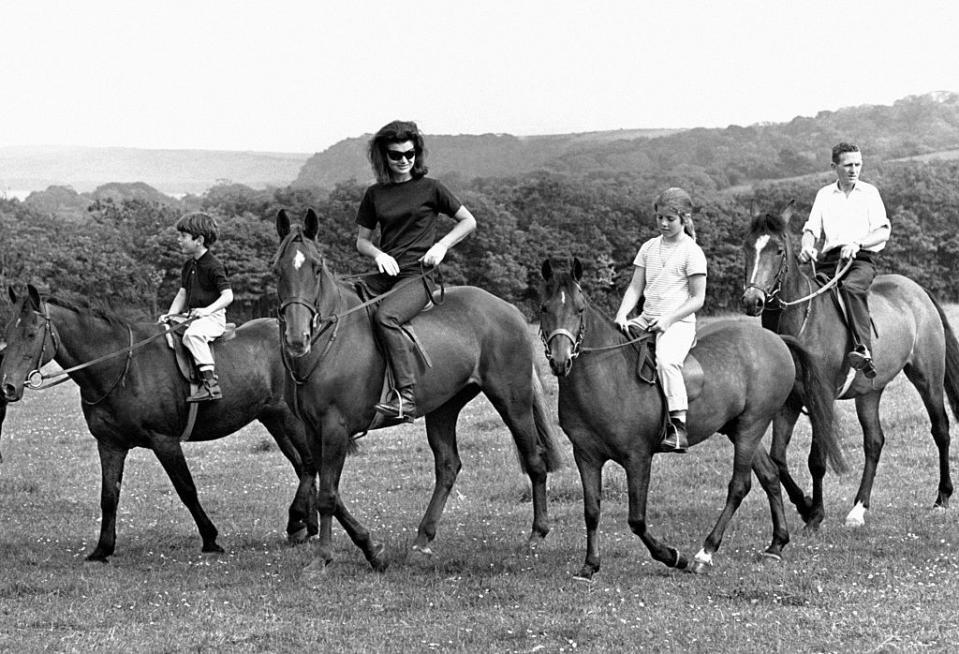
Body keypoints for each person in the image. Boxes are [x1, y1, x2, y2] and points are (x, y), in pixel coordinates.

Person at [355, 120, 477, 420]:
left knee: (386, 317)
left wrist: (441, 246)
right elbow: (361, 241)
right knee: (346, 305)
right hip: (385, 274)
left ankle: (406, 397)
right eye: (396, 155)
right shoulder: (375, 194)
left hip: (418, 276)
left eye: (410, 154)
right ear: (384, 156)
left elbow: (468, 221)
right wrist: (377, 254)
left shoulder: (431, 188)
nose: (404, 160)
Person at [614, 187, 707, 453]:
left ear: (684, 219)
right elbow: (635, 288)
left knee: (666, 362)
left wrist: (668, 320)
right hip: (646, 317)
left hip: (678, 323)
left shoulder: (692, 252)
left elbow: (697, 299)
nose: (664, 224)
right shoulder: (648, 248)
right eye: (660, 218)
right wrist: (623, 314)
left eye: (670, 219)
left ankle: (678, 426)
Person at [800, 142, 890, 379]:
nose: (854, 170)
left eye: (858, 164)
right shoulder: (824, 195)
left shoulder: (869, 193)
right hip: (828, 261)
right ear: (834, 166)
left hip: (860, 260)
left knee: (849, 288)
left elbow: (883, 231)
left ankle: (863, 350)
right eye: (848, 165)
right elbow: (811, 230)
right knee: (806, 296)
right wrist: (807, 247)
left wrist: (857, 244)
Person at [159, 212, 234, 402]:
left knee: (193, 335)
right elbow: (182, 293)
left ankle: (211, 385)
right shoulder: (188, 265)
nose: (179, 240)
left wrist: (207, 311)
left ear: (199, 240)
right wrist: (170, 315)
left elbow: (228, 296)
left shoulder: (214, 265)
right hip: (193, 315)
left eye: (183, 236)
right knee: (165, 331)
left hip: (212, 318)